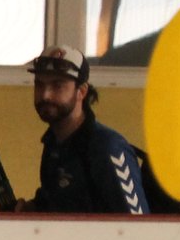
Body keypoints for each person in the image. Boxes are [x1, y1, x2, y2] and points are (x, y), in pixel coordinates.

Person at [19, 45, 149, 215]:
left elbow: (139, 223)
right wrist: (30, 209)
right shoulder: (53, 144)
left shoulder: (107, 148)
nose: (45, 95)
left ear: (81, 91)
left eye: (58, 86)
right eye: (39, 85)